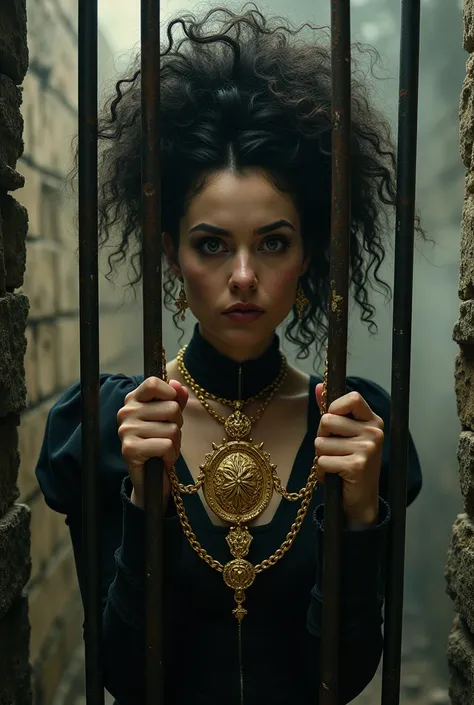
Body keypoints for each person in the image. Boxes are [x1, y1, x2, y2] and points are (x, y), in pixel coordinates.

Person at [35, 6, 423, 705]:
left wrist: (361, 516)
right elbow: (124, 675)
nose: (242, 276)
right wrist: (141, 499)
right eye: (212, 244)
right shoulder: (106, 426)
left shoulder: (353, 428)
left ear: (308, 256)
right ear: (171, 255)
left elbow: (345, 675)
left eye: (272, 242)